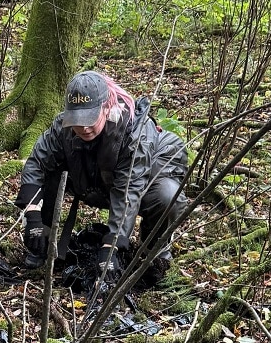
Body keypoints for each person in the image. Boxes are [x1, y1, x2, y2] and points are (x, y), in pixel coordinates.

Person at [15, 70, 189, 288]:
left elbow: (127, 192)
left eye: (89, 119)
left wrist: (111, 246)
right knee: (50, 170)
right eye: (77, 120)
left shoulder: (135, 135)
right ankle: (43, 242)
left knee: (167, 196)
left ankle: (154, 254)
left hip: (144, 180)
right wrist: (33, 219)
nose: (84, 127)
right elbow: (36, 164)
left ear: (106, 107)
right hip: (93, 181)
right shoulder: (62, 129)